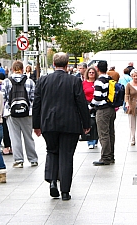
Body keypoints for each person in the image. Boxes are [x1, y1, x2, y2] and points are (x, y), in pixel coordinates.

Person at [32, 52, 90, 201]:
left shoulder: (43, 80)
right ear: (67, 65)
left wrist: (36, 125)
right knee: (66, 156)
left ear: (53, 64)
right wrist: (86, 123)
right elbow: (81, 103)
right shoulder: (74, 81)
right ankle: (65, 191)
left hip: (48, 123)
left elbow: (36, 104)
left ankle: (52, 181)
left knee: (52, 151)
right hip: (70, 124)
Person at [1, 60, 38, 168]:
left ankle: (19, 160)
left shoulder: (7, 82)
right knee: (28, 137)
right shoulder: (30, 81)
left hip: (11, 113)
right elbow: (33, 99)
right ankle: (33, 159)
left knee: (15, 137)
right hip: (27, 113)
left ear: (12, 69)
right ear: (22, 69)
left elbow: (4, 98)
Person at [90, 61, 116, 166]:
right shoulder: (110, 79)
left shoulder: (99, 81)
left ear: (97, 69)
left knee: (103, 134)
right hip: (111, 108)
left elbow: (97, 98)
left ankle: (105, 157)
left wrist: (90, 107)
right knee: (111, 133)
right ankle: (111, 156)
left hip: (102, 110)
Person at [125, 69, 137, 146]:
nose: (135, 77)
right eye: (134, 76)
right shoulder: (129, 85)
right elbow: (126, 95)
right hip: (131, 105)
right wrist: (127, 102)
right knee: (132, 124)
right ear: (131, 76)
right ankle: (132, 139)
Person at [82, 66, 99, 149]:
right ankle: (90, 140)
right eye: (90, 72)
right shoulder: (84, 83)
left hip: (97, 104)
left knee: (97, 122)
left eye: (93, 72)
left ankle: (96, 139)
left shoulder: (97, 82)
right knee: (90, 122)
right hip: (87, 104)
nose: (91, 74)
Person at [0, 73, 12, 155]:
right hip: (9, 110)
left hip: (2, 111)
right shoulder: (9, 83)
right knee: (11, 130)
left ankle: (6, 147)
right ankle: (12, 147)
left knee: (5, 130)